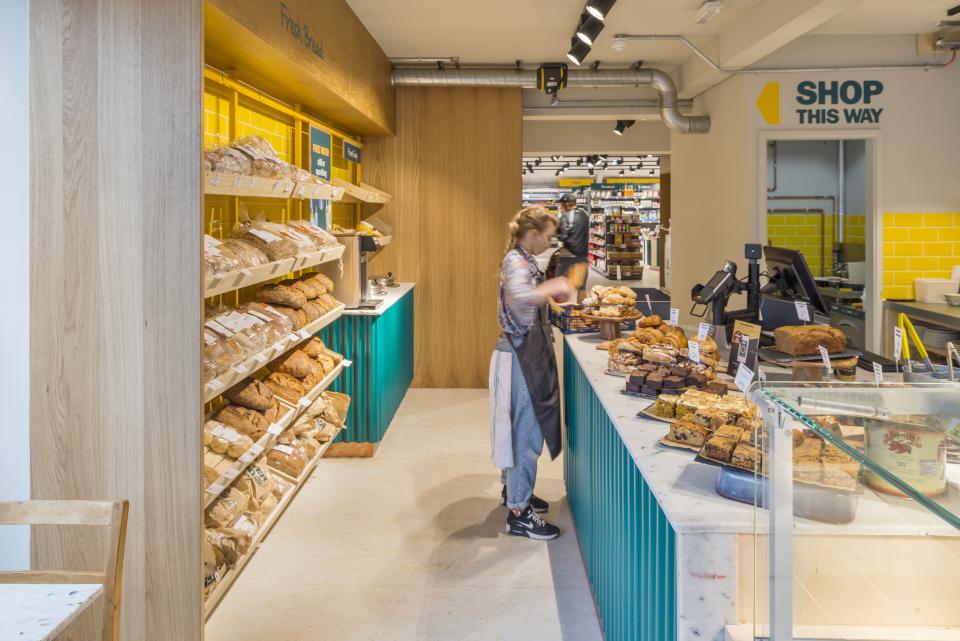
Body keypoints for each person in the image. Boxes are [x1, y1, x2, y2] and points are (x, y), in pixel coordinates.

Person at [489, 206, 574, 540]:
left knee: (520, 428)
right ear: (534, 233)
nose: (549, 243)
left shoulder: (524, 259)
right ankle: (520, 513)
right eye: (548, 237)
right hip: (520, 355)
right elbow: (522, 299)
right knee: (526, 433)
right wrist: (555, 286)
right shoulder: (515, 262)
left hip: (526, 353)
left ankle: (514, 491)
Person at [556, 192, 590, 266]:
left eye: (561, 204)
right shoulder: (585, 214)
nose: (561, 206)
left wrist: (556, 233)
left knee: (563, 275)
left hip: (569, 254)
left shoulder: (565, 216)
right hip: (584, 254)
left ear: (567, 204)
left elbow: (563, 237)